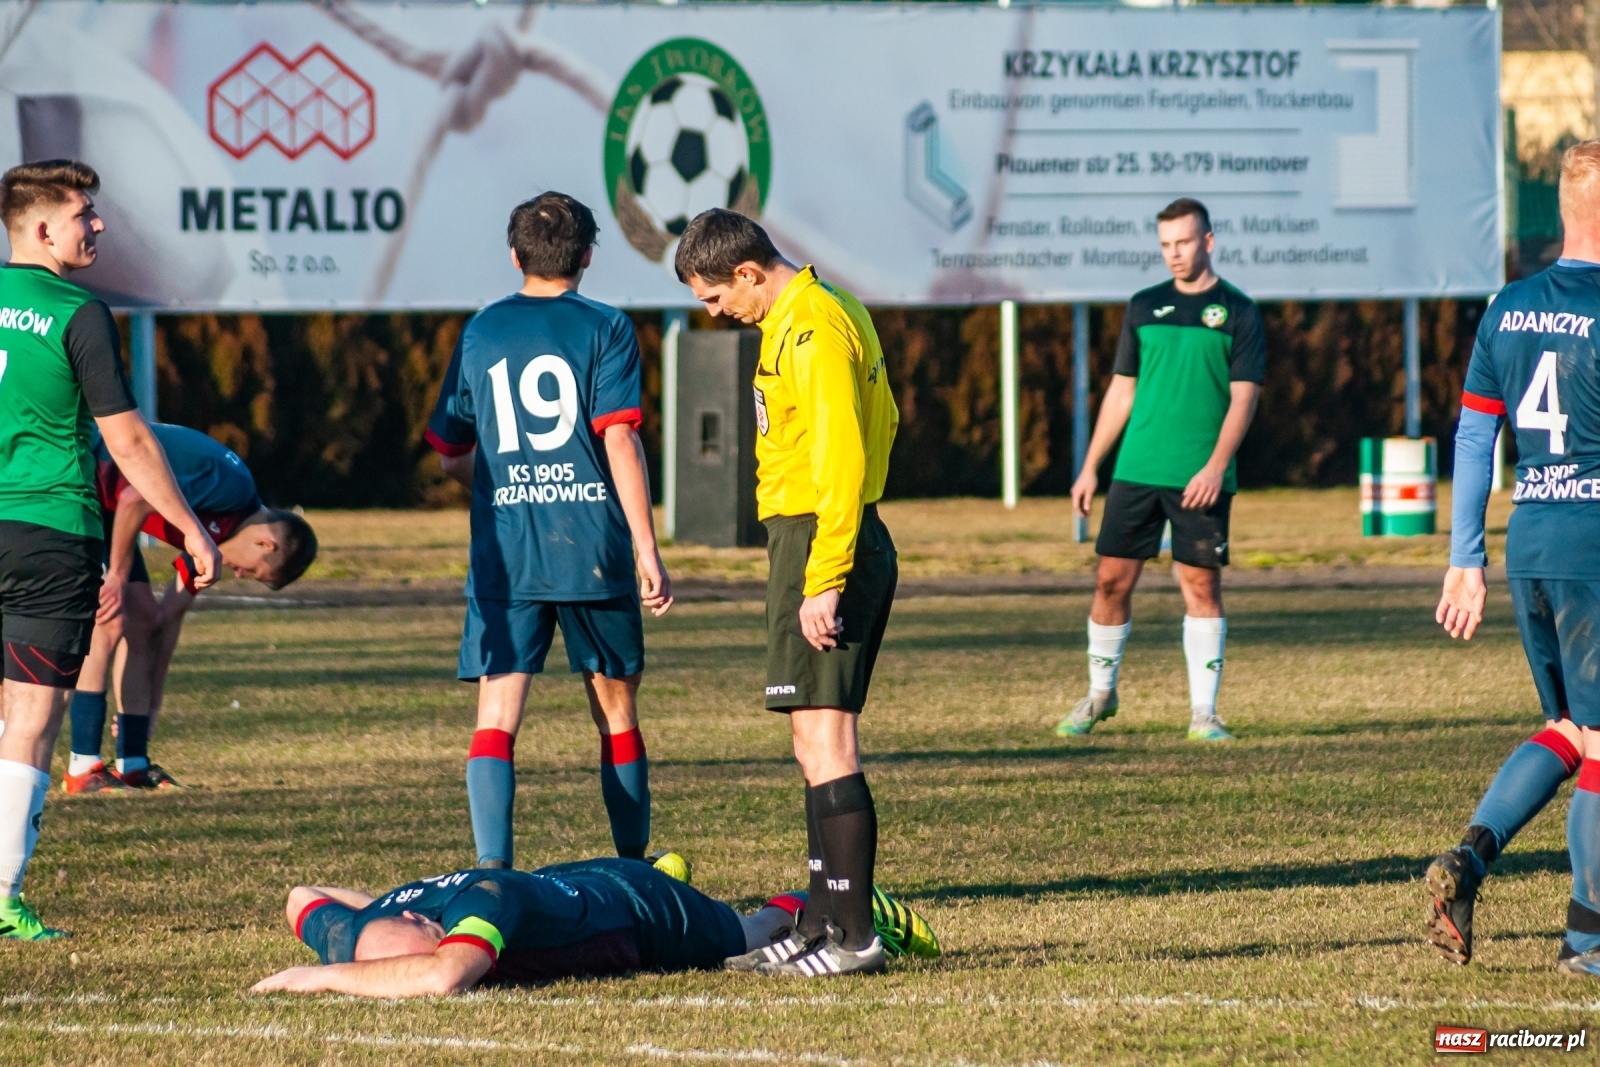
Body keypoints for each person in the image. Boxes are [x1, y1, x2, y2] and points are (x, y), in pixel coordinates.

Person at [673, 209, 900, 977]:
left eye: (713, 298)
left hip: (823, 540)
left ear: (745, 272)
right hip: (806, 536)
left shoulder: (812, 326)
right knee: (809, 741)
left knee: (830, 741)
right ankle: (820, 921)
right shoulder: (804, 318)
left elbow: (845, 452)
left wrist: (826, 572)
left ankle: (854, 937)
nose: (713, 315)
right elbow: (890, 416)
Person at [0, 160, 220, 940]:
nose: (97, 226)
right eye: (84, 213)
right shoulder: (77, 312)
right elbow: (126, 438)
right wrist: (190, 526)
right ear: (41, 228)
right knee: (29, 718)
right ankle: (3, 895)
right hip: (48, 532)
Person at [425, 192, 672, 870]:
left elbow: (449, 450)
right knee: (616, 713)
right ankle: (633, 864)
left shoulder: (480, 331)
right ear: (589, 255)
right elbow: (618, 437)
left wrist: (505, 475)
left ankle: (492, 871)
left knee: (497, 717)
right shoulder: (609, 327)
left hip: (508, 555)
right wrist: (648, 548)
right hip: (593, 547)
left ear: (514, 256)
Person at [1431, 139, 1600, 976]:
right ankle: (1588, 940)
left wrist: (1466, 555)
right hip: (1596, 541)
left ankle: (1468, 859)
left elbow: (1474, 431)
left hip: (1532, 536)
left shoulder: (1508, 304)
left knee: (1572, 727)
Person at [1059, 197, 1264, 742]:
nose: (1174, 254)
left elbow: (1243, 399)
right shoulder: (1144, 306)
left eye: (1184, 243)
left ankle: (1204, 713)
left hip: (1200, 476)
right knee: (1109, 581)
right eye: (1166, 245)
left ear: (1209, 242)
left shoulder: (1239, 311)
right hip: (1138, 468)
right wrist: (1090, 468)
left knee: (1199, 584)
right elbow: (1122, 390)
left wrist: (1216, 467)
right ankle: (1100, 695)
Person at [251, 856, 937, 996]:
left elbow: (442, 977)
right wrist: (366, 927)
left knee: (748, 931)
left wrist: (317, 976)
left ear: (429, 925)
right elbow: (300, 892)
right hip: (573, 876)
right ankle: (662, 864)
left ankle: (855, 904)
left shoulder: (482, 907)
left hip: (635, 907)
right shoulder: (371, 921)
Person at [62, 422, 318, 794]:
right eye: (252, 573)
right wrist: (116, 575)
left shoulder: (223, 529)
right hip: (83, 476)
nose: (239, 572)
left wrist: (153, 703)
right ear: (266, 544)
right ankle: (83, 768)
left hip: (112, 507)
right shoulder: (229, 488)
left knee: (144, 620)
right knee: (108, 618)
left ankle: (132, 763)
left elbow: (169, 617)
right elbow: (136, 496)